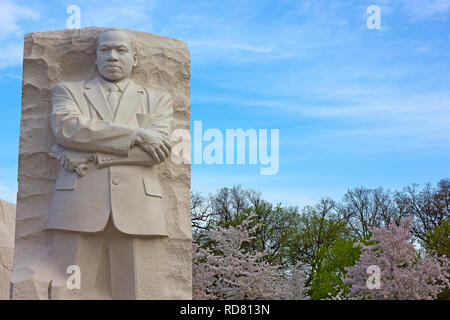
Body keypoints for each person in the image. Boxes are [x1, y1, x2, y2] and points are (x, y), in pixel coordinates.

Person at [31, 29, 174, 299]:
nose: (112, 56)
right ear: (95, 57)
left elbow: (155, 153)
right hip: (77, 205)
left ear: (135, 58)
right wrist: (137, 134)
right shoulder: (68, 91)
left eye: (121, 50)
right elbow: (68, 129)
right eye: (104, 50)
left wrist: (93, 155)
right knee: (66, 291)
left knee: (141, 292)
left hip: (139, 208)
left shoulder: (158, 99)